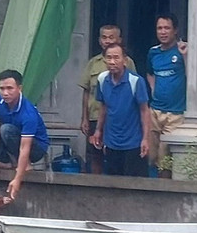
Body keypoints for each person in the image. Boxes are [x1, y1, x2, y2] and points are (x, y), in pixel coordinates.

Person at [0, 69, 49, 200]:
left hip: (36, 148)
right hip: (11, 137)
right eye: (2, 88)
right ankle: (5, 160)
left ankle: (23, 165)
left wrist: (17, 179)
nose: (5, 93)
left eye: (10, 88)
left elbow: (25, 147)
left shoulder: (28, 113)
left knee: (6, 129)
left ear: (19, 88)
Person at [78, 24, 136, 173]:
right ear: (99, 40)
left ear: (119, 40)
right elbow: (86, 92)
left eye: (111, 37)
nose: (107, 41)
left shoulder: (127, 62)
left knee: (115, 155)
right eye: (104, 37)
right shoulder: (93, 63)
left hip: (117, 118)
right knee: (95, 154)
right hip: (95, 116)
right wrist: (84, 118)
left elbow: (133, 90)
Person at [90, 43, 153, 178]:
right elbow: (104, 107)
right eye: (109, 58)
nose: (112, 62)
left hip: (133, 142)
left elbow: (144, 111)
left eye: (116, 58)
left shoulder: (136, 81)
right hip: (111, 142)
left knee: (135, 184)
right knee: (113, 184)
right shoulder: (102, 79)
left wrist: (145, 139)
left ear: (125, 60)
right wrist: (98, 130)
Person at [146, 13, 187, 176]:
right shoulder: (153, 52)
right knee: (151, 156)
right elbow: (149, 73)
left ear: (175, 30)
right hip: (155, 111)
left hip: (175, 114)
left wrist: (185, 55)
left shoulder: (182, 50)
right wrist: (153, 89)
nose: (163, 32)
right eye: (159, 28)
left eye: (167, 28)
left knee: (166, 160)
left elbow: (193, 77)